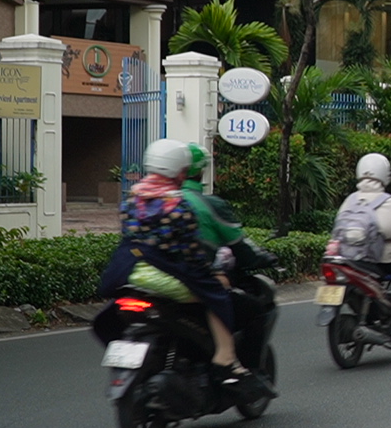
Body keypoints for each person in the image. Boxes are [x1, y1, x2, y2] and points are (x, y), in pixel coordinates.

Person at [97, 139, 274, 402]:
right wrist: (211, 274)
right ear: (180, 171)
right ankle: (225, 359)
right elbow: (191, 252)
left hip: (130, 273)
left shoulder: (132, 198)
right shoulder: (178, 204)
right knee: (218, 298)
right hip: (169, 276)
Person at [334, 153, 391, 333]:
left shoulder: (350, 200)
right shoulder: (387, 203)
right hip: (380, 260)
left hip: (350, 259)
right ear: (386, 174)